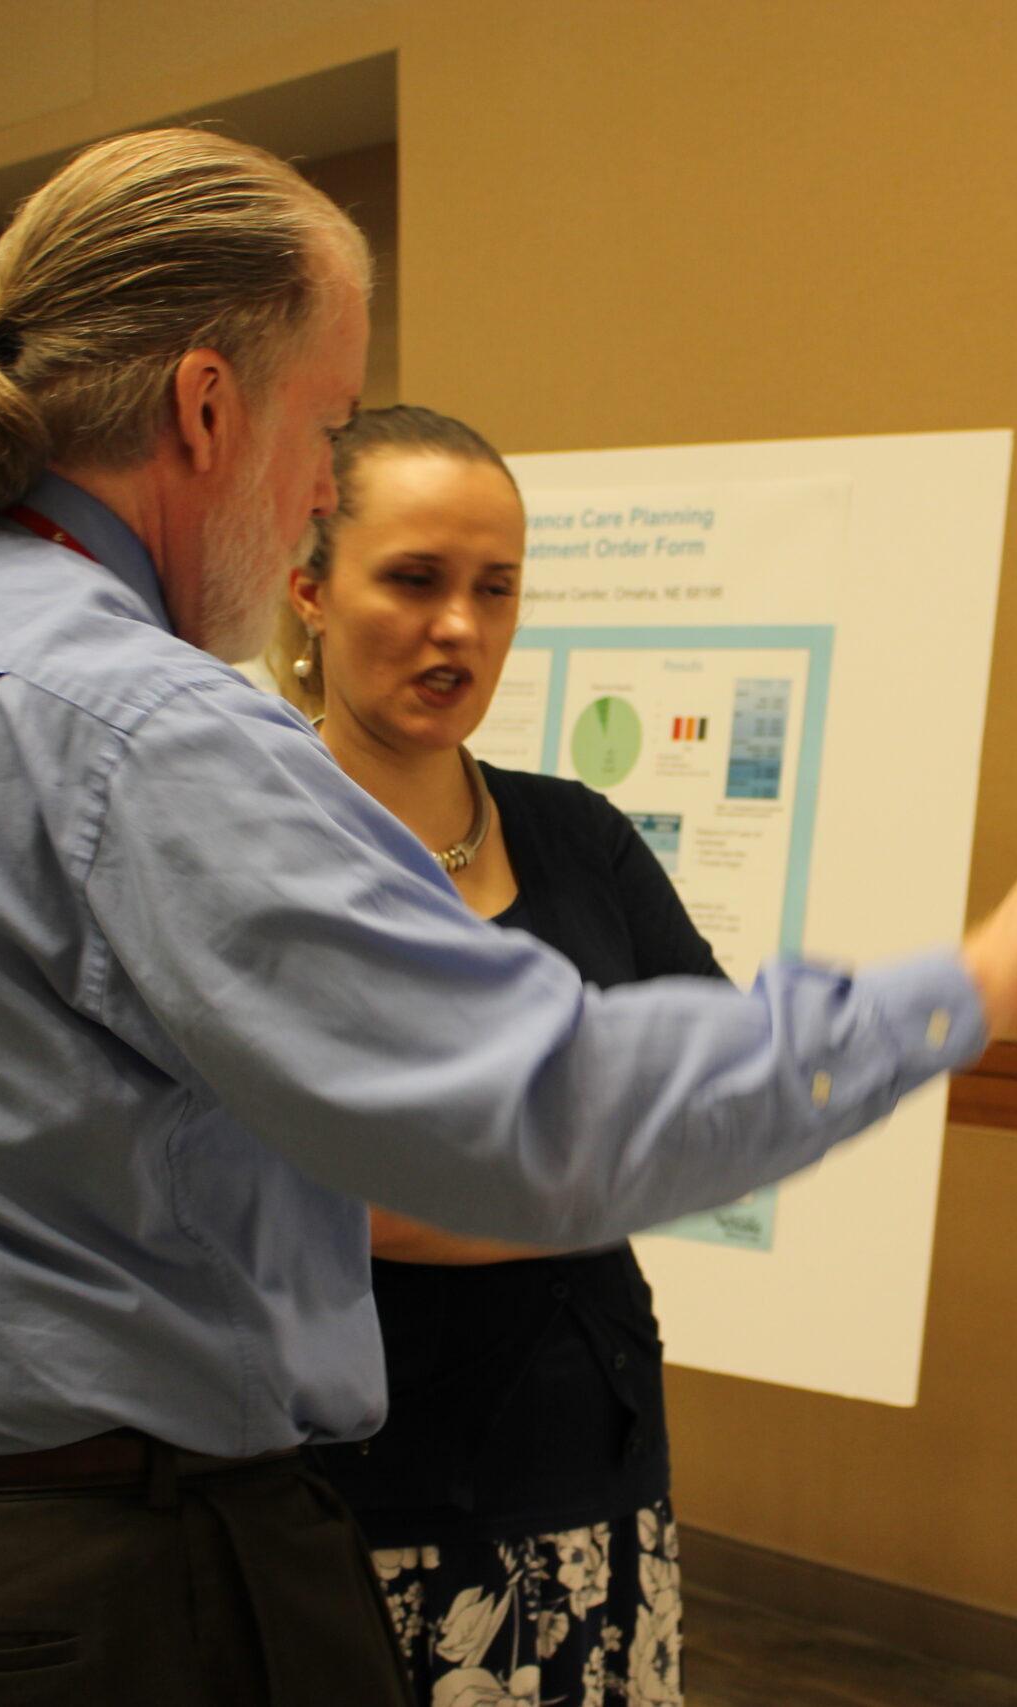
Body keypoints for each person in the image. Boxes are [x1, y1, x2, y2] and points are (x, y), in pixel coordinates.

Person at [0, 127, 1017, 1707]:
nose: (317, 493)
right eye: (326, 428)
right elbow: (541, 1110)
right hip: (136, 1589)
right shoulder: (145, 731)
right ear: (207, 406)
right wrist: (978, 980)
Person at [263, 403, 707, 1702]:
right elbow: (312, 1188)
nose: (460, 626)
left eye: (494, 588)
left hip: (594, 1468)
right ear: (309, 588)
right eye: (414, 580)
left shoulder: (578, 837)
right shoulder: (256, 844)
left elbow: (708, 1094)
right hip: (347, 1494)